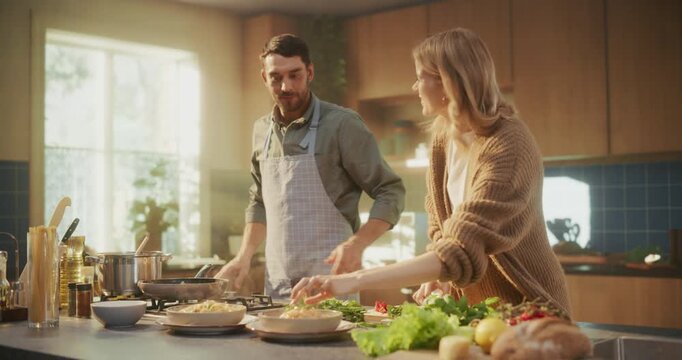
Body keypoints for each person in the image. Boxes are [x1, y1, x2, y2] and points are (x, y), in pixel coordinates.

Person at [291, 28, 571, 317]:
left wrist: (348, 282)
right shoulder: (444, 138)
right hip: (477, 314)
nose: (415, 87)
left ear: (448, 82)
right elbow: (442, 230)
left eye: (420, 76)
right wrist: (439, 277)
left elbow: (463, 243)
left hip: (530, 309)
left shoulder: (509, 145)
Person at [215, 34, 405, 300]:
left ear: (310, 72)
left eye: (295, 75)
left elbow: (390, 191)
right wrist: (243, 256)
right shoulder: (261, 131)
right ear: (264, 78)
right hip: (278, 287)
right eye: (276, 77)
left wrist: (357, 244)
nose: (286, 86)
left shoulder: (342, 125)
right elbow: (259, 201)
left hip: (331, 286)